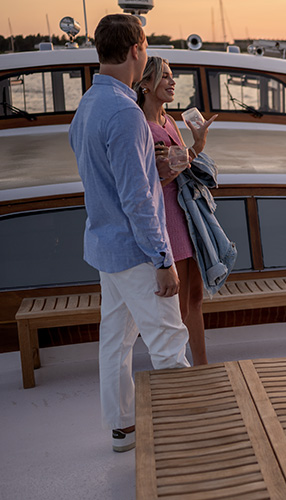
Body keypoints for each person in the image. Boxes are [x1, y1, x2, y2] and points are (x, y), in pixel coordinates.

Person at [69, 14, 190, 453]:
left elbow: (101, 174)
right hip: (138, 253)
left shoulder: (87, 105)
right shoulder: (126, 113)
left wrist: (147, 168)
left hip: (105, 248)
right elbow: (138, 200)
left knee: (115, 342)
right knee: (168, 341)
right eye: (146, 44)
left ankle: (122, 428)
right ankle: (181, 439)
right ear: (137, 49)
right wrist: (163, 259)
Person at [134, 56, 218, 366]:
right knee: (179, 306)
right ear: (145, 85)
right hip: (166, 218)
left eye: (172, 77)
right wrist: (194, 148)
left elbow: (179, 167)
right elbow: (156, 177)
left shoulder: (168, 120)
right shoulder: (142, 127)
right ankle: (180, 369)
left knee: (195, 297)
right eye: (165, 77)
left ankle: (202, 364)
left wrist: (188, 150)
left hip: (186, 215)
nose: (172, 82)